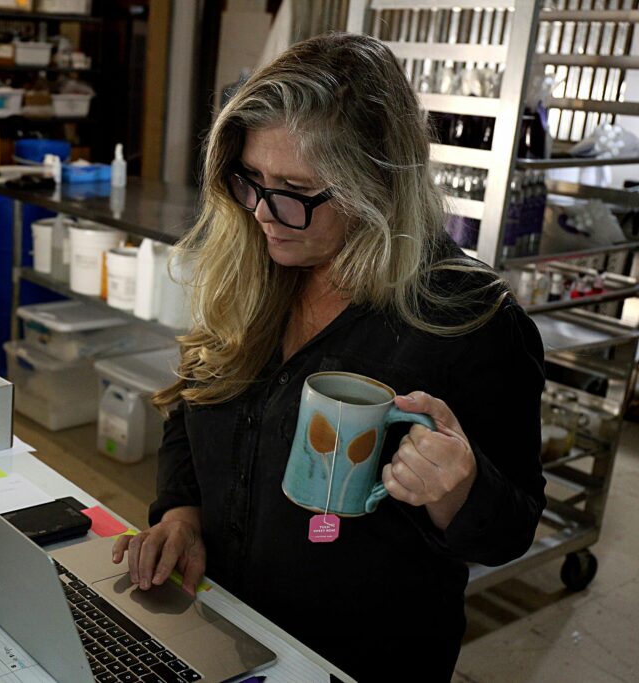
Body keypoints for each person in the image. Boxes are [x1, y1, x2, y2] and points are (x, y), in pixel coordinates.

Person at [111, 32, 546, 682]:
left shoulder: (469, 321)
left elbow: (511, 528)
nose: (263, 210)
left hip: (360, 659)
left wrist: (460, 488)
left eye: (295, 188)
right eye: (251, 179)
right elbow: (193, 404)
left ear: (378, 184)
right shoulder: (253, 267)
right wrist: (181, 513)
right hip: (224, 627)